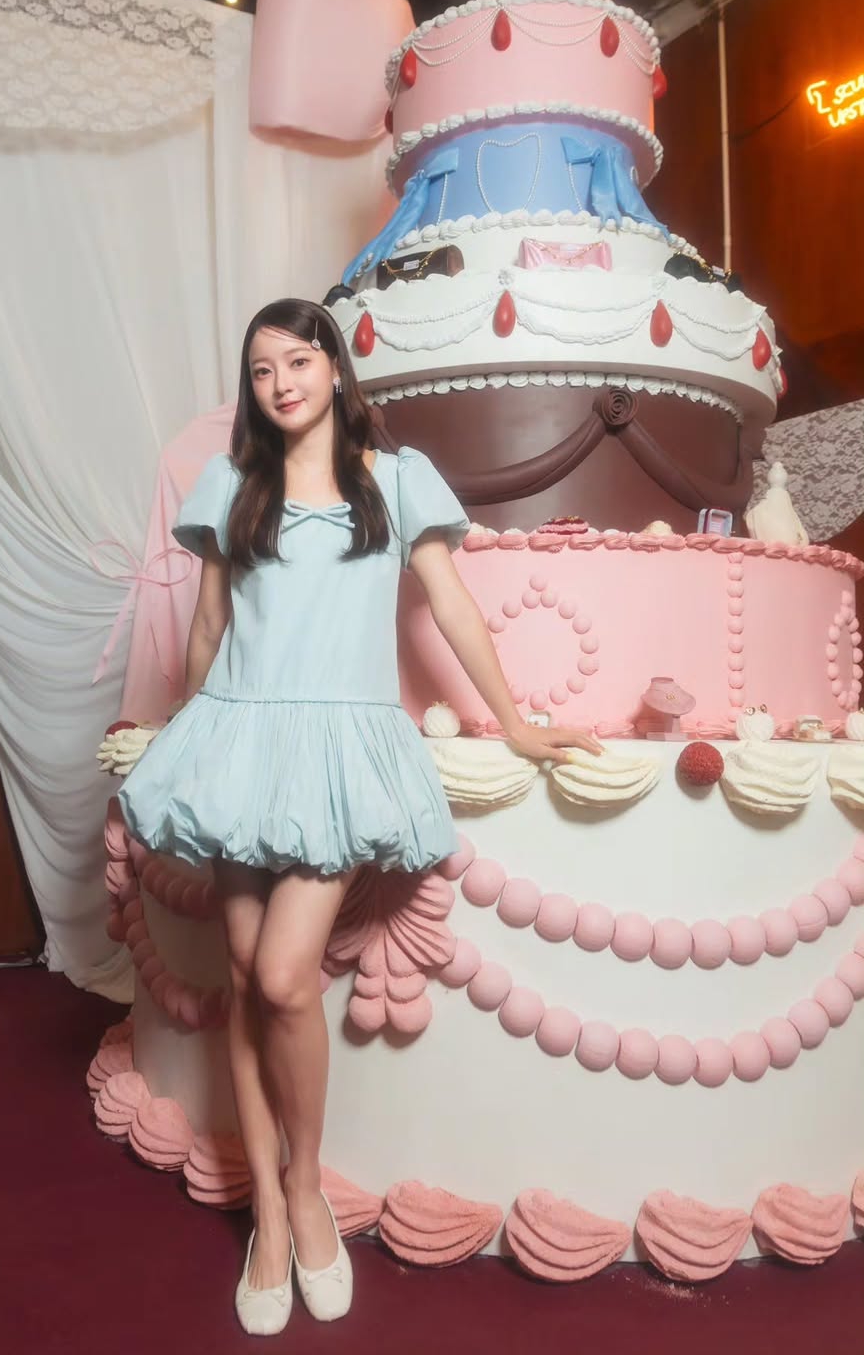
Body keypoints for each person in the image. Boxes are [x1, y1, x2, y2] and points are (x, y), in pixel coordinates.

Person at [118, 297, 602, 1336]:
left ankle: (305, 1189)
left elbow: (451, 605)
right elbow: (207, 625)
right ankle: (269, 1217)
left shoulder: (397, 479)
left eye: (298, 361)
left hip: (339, 750)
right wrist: (189, 740)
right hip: (239, 738)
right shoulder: (233, 485)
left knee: (284, 975)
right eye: (261, 370)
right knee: (244, 974)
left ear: (334, 369)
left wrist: (514, 721)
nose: (281, 383)